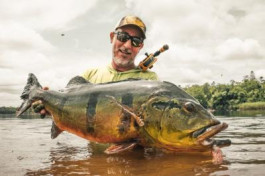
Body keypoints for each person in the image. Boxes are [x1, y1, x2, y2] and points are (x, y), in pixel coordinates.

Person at [33, 15, 158, 116]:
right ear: (112, 37)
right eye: (122, 37)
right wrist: (50, 105)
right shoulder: (89, 76)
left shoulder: (150, 82)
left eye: (136, 41)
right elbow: (68, 107)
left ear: (140, 47)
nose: (127, 46)